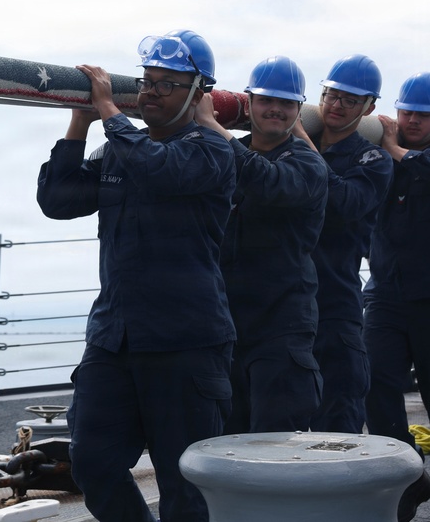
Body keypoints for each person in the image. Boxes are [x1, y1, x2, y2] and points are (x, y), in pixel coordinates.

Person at [38, 30, 236, 522]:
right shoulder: (122, 150)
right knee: (92, 461)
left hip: (185, 343)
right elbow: (58, 200)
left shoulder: (211, 150)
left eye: (167, 84)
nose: (151, 92)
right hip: (115, 338)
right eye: (147, 81)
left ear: (198, 93)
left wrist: (109, 110)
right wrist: (80, 121)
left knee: (185, 484)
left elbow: (160, 170)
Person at [194, 56, 327, 434]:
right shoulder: (226, 152)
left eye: (286, 103)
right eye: (266, 100)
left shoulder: (308, 165)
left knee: (275, 441)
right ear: (249, 102)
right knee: (224, 440)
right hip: (226, 324)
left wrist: (210, 124)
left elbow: (265, 181)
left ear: (298, 110)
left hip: (282, 325)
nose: (275, 109)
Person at [290, 55, 392, 433]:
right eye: (331, 96)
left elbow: (345, 202)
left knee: (338, 422)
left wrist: (301, 141)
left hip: (335, 306)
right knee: (278, 426)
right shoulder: (293, 143)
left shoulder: (372, 159)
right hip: (285, 305)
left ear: (369, 108)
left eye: (350, 100)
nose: (336, 105)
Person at [364, 71, 430, 522]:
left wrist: (394, 148)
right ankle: (406, 476)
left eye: (423, 115)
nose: (412, 121)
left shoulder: (406, 156)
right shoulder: (382, 153)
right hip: (386, 294)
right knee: (375, 382)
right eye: (406, 112)